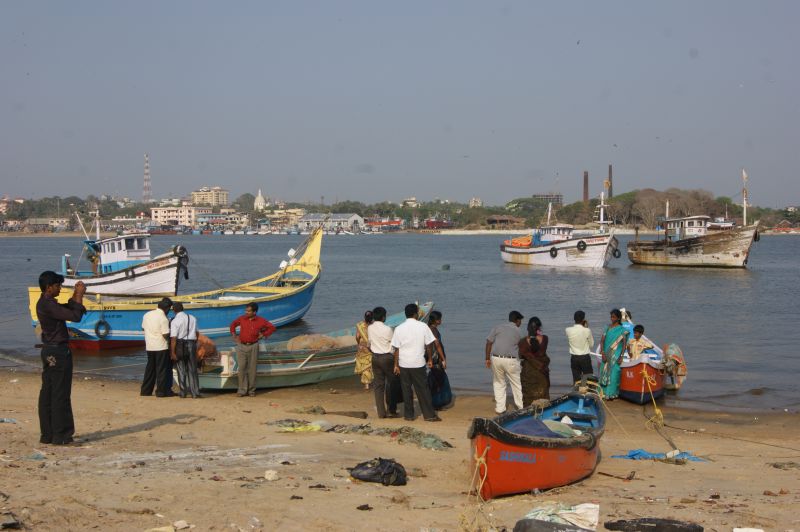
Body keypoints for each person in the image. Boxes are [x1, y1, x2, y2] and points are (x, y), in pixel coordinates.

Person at [36, 271, 86, 445]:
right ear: (49, 287)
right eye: (58, 286)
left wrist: (75, 297)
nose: (59, 289)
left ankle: (47, 434)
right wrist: (79, 295)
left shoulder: (46, 303)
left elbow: (65, 309)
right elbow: (75, 316)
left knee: (49, 392)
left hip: (49, 351)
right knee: (60, 393)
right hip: (57, 352)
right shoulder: (47, 304)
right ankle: (62, 436)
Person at [391, 303, 442, 422]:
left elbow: (396, 349)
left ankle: (409, 415)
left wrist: (395, 365)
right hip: (418, 363)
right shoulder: (423, 326)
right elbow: (429, 344)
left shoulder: (399, 328)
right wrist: (429, 359)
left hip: (404, 363)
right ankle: (429, 415)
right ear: (416, 314)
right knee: (423, 389)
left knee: (406, 389)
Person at [230, 302, 276, 397]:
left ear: (254, 312)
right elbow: (233, 324)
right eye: (245, 310)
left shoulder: (261, 321)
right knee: (242, 368)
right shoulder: (242, 319)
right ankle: (242, 390)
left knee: (252, 369)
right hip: (241, 346)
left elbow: (271, 327)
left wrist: (263, 334)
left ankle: (251, 391)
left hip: (254, 346)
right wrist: (234, 335)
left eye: (248, 311)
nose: (246, 312)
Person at [485, 311, 524, 414]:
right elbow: (522, 347)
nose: (521, 323)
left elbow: (489, 342)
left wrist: (487, 359)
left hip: (496, 358)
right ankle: (521, 407)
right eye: (520, 321)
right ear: (517, 320)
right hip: (511, 360)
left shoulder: (498, 327)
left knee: (498, 383)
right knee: (517, 384)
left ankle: (500, 408)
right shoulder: (519, 331)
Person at [368, 306, 399, 418]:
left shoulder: (370, 328)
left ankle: (381, 413)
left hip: (375, 358)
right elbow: (394, 345)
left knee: (378, 386)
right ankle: (391, 410)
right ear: (383, 317)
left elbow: (370, 343)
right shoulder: (388, 329)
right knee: (391, 384)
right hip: (387, 357)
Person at [141, 297, 174, 398]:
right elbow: (165, 334)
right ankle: (160, 392)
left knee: (150, 369)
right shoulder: (163, 318)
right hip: (161, 347)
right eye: (169, 309)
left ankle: (145, 391)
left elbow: (142, 327)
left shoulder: (147, 314)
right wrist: (171, 341)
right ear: (167, 308)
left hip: (149, 346)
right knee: (161, 370)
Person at [170, 302, 201, 399]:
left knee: (181, 368)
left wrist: (172, 352)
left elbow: (173, 338)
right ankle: (195, 392)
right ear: (182, 308)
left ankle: (183, 392)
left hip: (180, 344)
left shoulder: (175, 321)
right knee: (192, 369)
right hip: (191, 344)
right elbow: (197, 333)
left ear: (174, 310)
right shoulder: (192, 317)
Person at [599, 308, 629, 400]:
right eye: (611, 317)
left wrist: (621, 356)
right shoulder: (607, 328)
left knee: (614, 374)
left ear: (618, 318)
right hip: (606, 354)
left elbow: (624, 345)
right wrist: (603, 353)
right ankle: (603, 393)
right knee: (604, 372)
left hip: (615, 355)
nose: (612, 318)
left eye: (614, 317)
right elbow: (602, 341)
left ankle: (612, 394)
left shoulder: (623, 330)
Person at [519, 316, 550, 405]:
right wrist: (538, 332)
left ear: (528, 328)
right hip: (542, 373)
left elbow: (521, 356)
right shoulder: (545, 339)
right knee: (543, 397)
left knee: (528, 397)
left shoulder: (522, 342)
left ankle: (528, 416)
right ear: (539, 328)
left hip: (528, 374)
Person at [426, 310, 452, 410]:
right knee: (439, 382)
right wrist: (443, 359)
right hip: (436, 359)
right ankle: (437, 404)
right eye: (440, 318)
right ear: (436, 321)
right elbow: (437, 345)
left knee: (434, 381)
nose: (441, 320)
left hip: (430, 359)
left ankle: (433, 402)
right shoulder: (434, 331)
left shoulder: (428, 329)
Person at [565, 310, 595, 384]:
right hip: (585, 357)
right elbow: (591, 345)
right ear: (583, 320)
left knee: (576, 380)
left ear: (574, 319)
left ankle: (577, 393)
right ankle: (587, 392)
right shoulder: (587, 330)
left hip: (574, 358)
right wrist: (586, 327)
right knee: (588, 379)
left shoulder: (568, 330)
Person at [354, 310, 375, 390]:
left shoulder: (360, 325)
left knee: (363, 365)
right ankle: (368, 384)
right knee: (369, 366)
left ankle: (366, 385)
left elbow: (357, 336)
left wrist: (359, 344)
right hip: (370, 347)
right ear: (372, 318)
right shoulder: (373, 326)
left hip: (362, 348)